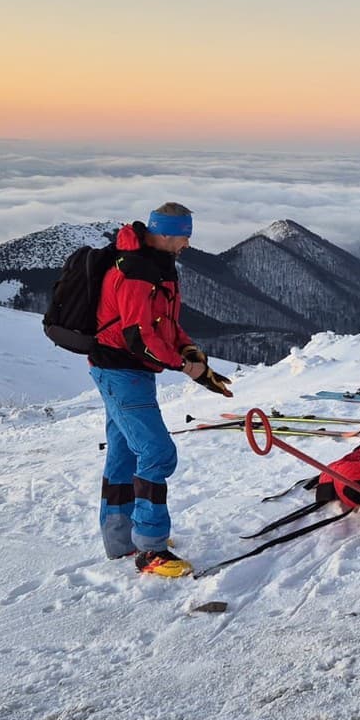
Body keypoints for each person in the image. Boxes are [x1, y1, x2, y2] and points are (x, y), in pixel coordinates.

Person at [89, 203, 233, 577]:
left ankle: (122, 538)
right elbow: (139, 337)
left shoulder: (155, 265)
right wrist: (186, 366)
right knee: (156, 453)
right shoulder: (136, 273)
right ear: (167, 233)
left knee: (124, 451)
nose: (188, 243)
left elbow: (163, 324)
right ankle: (150, 550)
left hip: (126, 370)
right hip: (120, 370)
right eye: (185, 235)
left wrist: (188, 349)